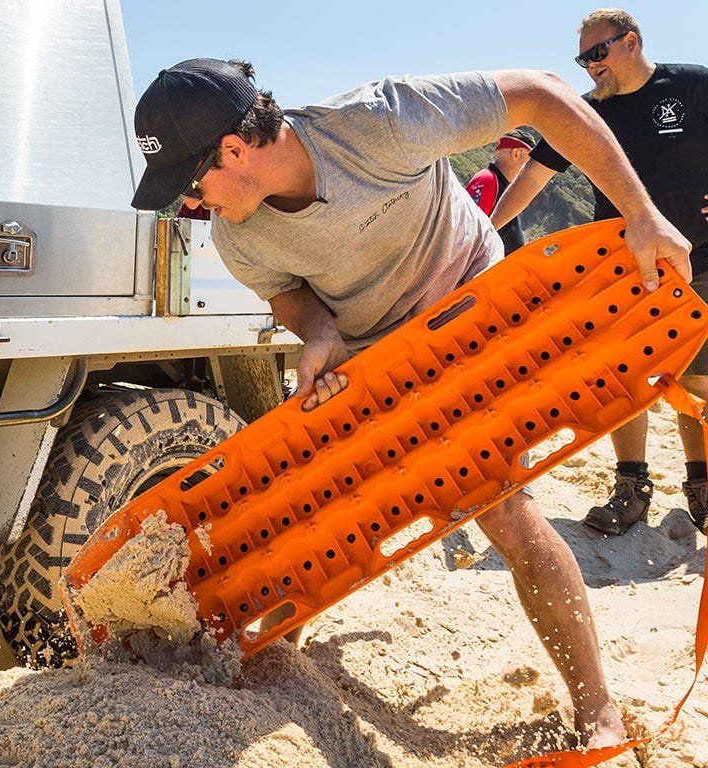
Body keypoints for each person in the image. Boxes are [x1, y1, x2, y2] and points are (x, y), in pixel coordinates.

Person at [129, 57, 691, 749]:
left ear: (235, 150)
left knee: (497, 501)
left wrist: (640, 214)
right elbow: (285, 292)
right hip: (376, 354)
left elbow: (542, 95)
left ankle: (597, 709)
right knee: (317, 506)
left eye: (192, 183)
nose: (194, 204)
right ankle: (270, 669)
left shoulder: (376, 123)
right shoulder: (237, 233)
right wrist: (320, 332)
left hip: (477, 307)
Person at [490, 8, 708, 536]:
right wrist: (486, 230)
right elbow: (533, 177)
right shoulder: (586, 114)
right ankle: (631, 488)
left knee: (696, 377)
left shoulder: (693, 86)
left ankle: (702, 489)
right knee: (622, 379)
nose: (590, 66)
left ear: (631, 42)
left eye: (597, 53)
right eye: (582, 59)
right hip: (617, 269)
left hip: (700, 257)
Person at [464, 129, 536, 253]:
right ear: (516, 154)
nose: (532, 167)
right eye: (531, 161)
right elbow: (468, 232)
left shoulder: (505, 187)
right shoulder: (488, 180)